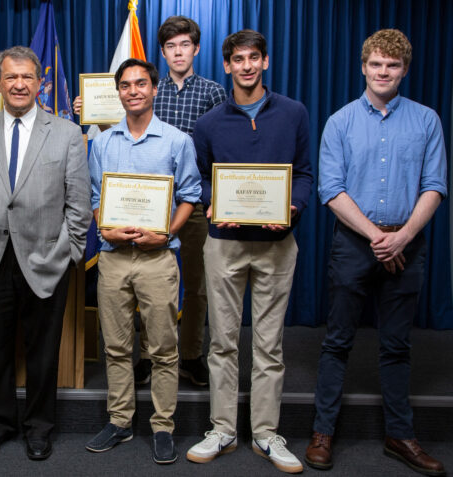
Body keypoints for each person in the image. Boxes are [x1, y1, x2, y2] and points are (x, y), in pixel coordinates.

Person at [305, 29, 447, 476]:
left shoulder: (427, 120)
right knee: (337, 341)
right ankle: (322, 432)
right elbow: (331, 189)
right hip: (353, 243)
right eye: (375, 64)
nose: (383, 72)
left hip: (409, 241)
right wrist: (377, 238)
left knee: (397, 345)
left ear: (404, 70)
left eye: (392, 66)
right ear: (363, 67)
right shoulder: (340, 121)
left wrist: (401, 237)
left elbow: (435, 185)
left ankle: (400, 435)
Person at [186, 30, 312, 474]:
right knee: (222, 342)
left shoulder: (293, 113)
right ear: (226, 66)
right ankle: (222, 428)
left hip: (278, 243)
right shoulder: (209, 123)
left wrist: (293, 207)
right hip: (225, 243)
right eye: (237, 59)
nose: (246, 66)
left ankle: (265, 433)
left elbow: (305, 174)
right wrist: (213, 201)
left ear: (265, 62)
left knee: (269, 344)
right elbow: (199, 179)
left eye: (253, 58)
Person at [0, 46, 91, 461]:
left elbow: (79, 206)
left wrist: (66, 252)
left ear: (40, 83)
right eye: (10, 77)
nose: (19, 84)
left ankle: (39, 428)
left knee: (43, 352)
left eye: (27, 77)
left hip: (45, 260)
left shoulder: (67, 133)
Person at [84, 58, 201, 465]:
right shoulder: (101, 143)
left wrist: (166, 232)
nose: (133, 91)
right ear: (118, 92)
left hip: (157, 259)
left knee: (163, 348)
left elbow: (190, 195)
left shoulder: (177, 141)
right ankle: (120, 421)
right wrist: (105, 230)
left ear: (154, 89)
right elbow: (96, 199)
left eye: (141, 84)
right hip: (114, 257)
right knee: (116, 346)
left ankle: (163, 425)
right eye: (126, 85)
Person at [136, 15, 227, 387]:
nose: (178, 52)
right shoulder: (147, 90)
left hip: (194, 204)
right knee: (147, 282)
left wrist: (213, 200)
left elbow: (220, 153)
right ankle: (146, 354)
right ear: (162, 52)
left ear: (196, 49)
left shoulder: (212, 92)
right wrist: (87, 110)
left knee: (196, 284)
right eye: (171, 46)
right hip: (151, 203)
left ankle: (191, 354)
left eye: (185, 45)